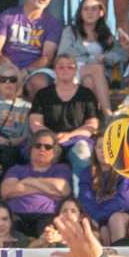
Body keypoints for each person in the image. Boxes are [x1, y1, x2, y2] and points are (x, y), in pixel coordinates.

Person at [0, 0, 62, 97]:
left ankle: (33, 116)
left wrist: (25, 71)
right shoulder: (7, 16)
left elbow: (47, 57)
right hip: (6, 68)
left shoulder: (53, 24)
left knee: (39, 83)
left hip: (34, 72)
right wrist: (8, 67)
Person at [30, 52, 101, 188]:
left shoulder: (86, 94)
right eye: (61, 67)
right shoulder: (43, 94)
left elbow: (92, 124)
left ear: (75, 70)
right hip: (49, 139)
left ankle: (81, 195)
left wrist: (69, 136)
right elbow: (35, 122)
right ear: (55, 70)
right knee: (40, 149)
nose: (65, 70)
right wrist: (52, 137)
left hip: (76, 139)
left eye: (70, 67)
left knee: (82, 150)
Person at [1, 131, 74, 240]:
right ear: (30, 149)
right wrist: (48, 189)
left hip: (48, 215)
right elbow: (6, 191)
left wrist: (28, 181)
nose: (42, 149)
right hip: (16, 214)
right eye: (38, 145)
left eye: (48, 147)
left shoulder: (61, 168)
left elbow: (63, 190)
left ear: (55, 152)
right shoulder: (17, 169)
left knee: (48, 238)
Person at [58, 0, 119, 113]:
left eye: (94, 9)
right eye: (85, 9)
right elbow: (63, 54)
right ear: (80, 13)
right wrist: (90, 57)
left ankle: (90, 118)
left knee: (89, 82)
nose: (89, 12)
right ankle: (107, 113)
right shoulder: (71, 31)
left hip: (96, 76)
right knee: (96, 68)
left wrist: (105, 58)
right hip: (73, 69)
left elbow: (119, 55)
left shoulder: (106, 34)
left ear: (101, 13)